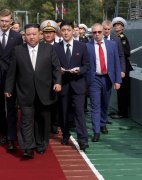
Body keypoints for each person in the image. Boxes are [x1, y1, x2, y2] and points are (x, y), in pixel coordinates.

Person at [5, 23, 62, 159]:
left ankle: (41, 143)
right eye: (28, 34)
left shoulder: (48, 49)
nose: (31, 37)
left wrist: (58, 82)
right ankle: (27, 147)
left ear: (40, 35)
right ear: (24, 36)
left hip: (45, 92)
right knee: (26, 119)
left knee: (43, 120)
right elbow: (12, 72)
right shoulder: (18, 50)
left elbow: (56, 68)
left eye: (34, 34)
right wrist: (8, 88)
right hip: (25, 92)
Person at [54, 20, 90, 151]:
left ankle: (83, 140)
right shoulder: (55, 48)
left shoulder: (82, 46)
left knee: (79, 112)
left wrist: (79, 70)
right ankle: (65, 134)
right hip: (63, 84)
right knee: (63, 112)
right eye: (63, 30)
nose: (66, 33)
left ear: (73, 30)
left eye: (68, 30)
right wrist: (59, 70)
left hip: (78, 84)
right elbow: (53, 66)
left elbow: (87, 65)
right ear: (60, 31)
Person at [0, 9, 23, 152]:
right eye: (2, 21)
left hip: (11, 78)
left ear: (11, 21)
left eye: (7, 21)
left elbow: (18, 57)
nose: (4, 24)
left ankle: (11, 138)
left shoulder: (16, 37)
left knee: (11, 109)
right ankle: (3, 132)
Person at [86, 23, 121, 142]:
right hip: (94, 79)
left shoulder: (112, 45)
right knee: (95, 106)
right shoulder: (87, 46)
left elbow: (116, 63)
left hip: (107, 78)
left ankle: (102, 123)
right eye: (94, 32)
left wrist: (117, 80)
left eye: (99, 32)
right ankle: (96, 131)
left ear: (103, 32)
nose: (96, 35)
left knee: (105, 104)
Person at [40, 20, 60, 134]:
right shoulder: (39, 46)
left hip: (56, 79)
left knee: (56, 104)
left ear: (55, 33)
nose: (48, 35)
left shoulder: (59, 46)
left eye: (51, 32)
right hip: (43, 80)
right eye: (46, 33)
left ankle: (55, 123)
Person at [111, 17, 133, 119]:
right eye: (115, 25)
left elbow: (126, 52)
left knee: (123, 91)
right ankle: (121, 111)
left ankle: (123, 113)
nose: (116, 26)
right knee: (120, 91)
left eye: (119, 25)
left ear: (122, 27)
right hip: (119, 66)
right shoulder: (116, 38)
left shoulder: (122, 38)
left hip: (124, 67)